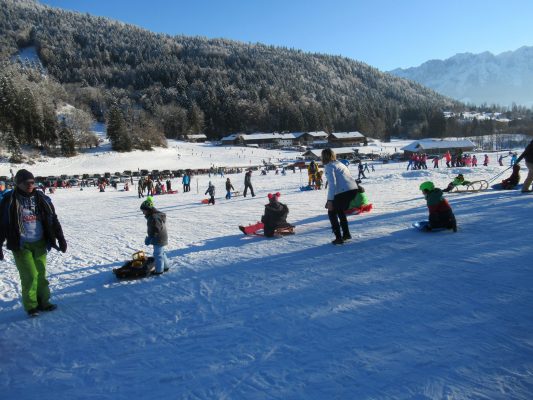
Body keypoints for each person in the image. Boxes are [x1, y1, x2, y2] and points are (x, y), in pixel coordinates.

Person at [0, 169, 67, 317]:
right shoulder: (9, 201)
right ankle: (31, 306)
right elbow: (2, 224)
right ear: (18, 184)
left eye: (32, 182)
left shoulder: (42, 199)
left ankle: (44, 301)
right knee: (30, 275)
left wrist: (61, 238)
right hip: (21, 244)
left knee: (41, 274)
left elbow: (53, 219)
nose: (30, 185)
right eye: (26, 182)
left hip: (40, 242)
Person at [322, 148, 359, 245]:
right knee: (339, 210)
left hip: (344, 191)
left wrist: (330, 201)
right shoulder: (340, 163)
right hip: (353, 189)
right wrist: (330, 200)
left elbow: (332, 184)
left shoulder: (329, 166)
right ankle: (346, 234)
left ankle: (339, 238)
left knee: (331, 212)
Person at [140, 197, 169, 275]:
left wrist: (150, 237)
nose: (143, 213)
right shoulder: (153, 216)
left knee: (157, 254)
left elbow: (156, 229)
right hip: (160, 237)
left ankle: (159, 271)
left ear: (148, 210)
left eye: (143, 211)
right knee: (161, 253)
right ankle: (166, 266)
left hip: (159, 238)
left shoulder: (154, 217)